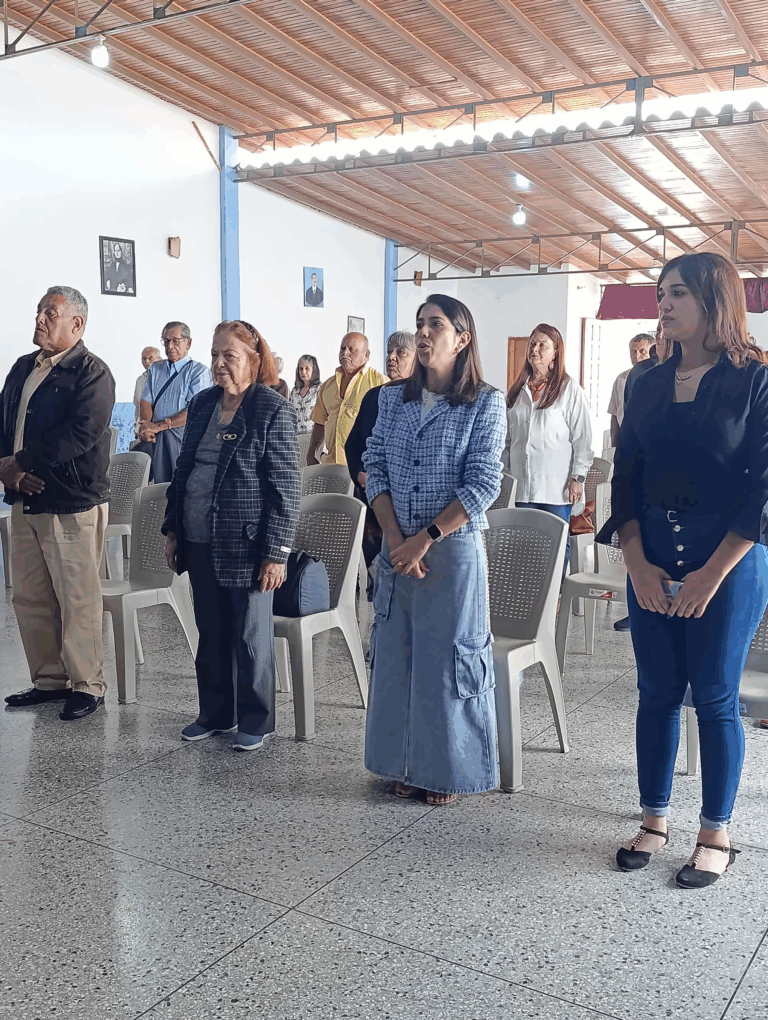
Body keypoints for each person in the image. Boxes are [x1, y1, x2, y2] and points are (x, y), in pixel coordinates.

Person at [596, 252, 768, 888]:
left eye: (677, 294)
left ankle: (716, 831)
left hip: (729, 564)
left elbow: (764, 493)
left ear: (714, 300)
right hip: (652, 560)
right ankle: (653, 819)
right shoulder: (644, 383)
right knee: (657, 693)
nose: (663, 305)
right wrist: (636, 563)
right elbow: (627, 480)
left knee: (716, 697)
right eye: (660, 294)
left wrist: (709, 574)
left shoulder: (754, 381)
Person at [363, 295, 506, 805]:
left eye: (436, 325)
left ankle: (445, 770)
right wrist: (396, 540)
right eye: (420, 324)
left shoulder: (484, 402)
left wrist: (426, 538)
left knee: (447, 663)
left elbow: (484, 482)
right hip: (398, 548)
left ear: (462, 339)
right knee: (398, 654)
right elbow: (373, 466)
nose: (423, 334)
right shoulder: (391, 398)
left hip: (452, 550)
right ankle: (402, 761)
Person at [162, 321, 300, 751]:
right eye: (215, 355)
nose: (220, 364)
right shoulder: (202, 403)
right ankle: (215, 713)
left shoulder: (272, 409)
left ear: (255, 361)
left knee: (248, 635)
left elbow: (287, 488)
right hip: (198, 535)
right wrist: (173, 530)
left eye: (230, 356)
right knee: (211, 630)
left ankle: (257, 719)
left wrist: (276, 552)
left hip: (249, 542)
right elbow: (182, 472)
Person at [1, 286, 115, 721]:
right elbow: (3, 421)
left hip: (70, 501)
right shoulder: (21, 368)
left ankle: (87, 684)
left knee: (77, 597)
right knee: (30, 595)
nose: (40, 318)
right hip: (23, 498)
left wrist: (20, 462)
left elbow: (80, 432)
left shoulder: (92, 373)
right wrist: (5, 468)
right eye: (39, 310)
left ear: (77, 324)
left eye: (51, 312)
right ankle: (49, 680)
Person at [503, 323, 593, 577]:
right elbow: (507, 441)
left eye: (543, 345)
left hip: (556, 485)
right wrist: (505, 476)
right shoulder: (516, 392)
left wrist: (578, 477)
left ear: (555, 353)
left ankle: (553, 596)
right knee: (522, 545)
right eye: (533, 343)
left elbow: (583, 439)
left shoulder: (569, 389)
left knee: (555, 543)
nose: (536, 349)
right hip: (522, 485)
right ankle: (527, 596)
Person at [345, 330, 417, 574]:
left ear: (417, 358)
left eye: (401, 352)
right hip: (369, 494)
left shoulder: (421, 399)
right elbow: (353, 445)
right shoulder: (374, 396)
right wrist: (360, 475)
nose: (392, 358)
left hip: (405, 499)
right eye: (389, 352)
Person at [137, 321, 212, 482]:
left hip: (183, 440)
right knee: (160, 488)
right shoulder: (156, 369)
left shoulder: (198, 372)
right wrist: (147, 427)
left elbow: (194, 409)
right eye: (166, 341)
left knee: (183, 487)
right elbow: (146, 401)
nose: (170, 346)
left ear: (188, 343)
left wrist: (158, 426)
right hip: (157, 439)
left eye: (175, 341)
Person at [307, 332, 385, 466]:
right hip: (331, 466)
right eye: (342, 349)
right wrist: (311, 454)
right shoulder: (327, 386)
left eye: (351, 349)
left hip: (363, 469)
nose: (345, 353)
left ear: (366, 355)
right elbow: (319, 423)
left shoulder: (380, 383)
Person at [607, 333, 654, 447]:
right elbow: (614, 413)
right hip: (626, 441)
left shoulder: (658, 377)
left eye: (642, 351)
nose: (637, 356)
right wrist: (614, 444)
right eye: (633, 352)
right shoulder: (621, 379)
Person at [290, 355, 321, 433]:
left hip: (314, 437)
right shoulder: (294, 391)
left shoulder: (320, 389)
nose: (303, 371)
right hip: (296, 437)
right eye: (301, 369)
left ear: (314, 370)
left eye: (307, 368)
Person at [133, 346, 162, 431]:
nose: (146, 361)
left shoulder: (167, 379)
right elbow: (137, 406)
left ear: (159, 359)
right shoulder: (140, 380)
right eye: (144, 359)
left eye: (150, 358)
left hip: (160, 428)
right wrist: (137, 427)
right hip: (143, 429)